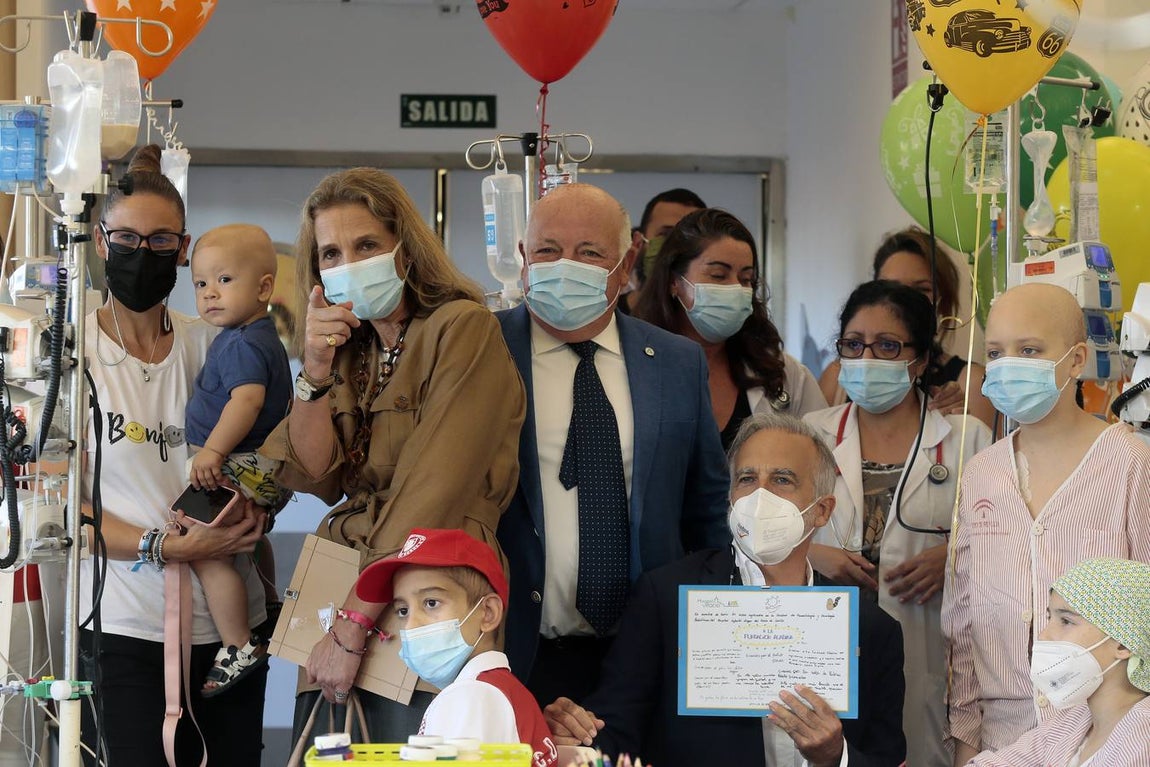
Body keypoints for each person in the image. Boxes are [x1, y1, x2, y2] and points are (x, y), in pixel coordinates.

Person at [258, 167, 526, 741]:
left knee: (423, 744)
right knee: (329, 745)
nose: (348, 263)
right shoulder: (353, 352)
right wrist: (314, 369)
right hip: (343, 577)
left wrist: (354, 625)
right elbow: (314, 472)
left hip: (434, 584)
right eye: (331, 253)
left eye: (367, 245)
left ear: (405, 250)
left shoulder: (462, 327)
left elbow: (434, 490)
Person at [543, 413, 907, 767]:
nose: (759, 496)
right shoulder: (667, 598)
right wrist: (573, 732)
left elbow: (886, 757)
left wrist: (836, 757)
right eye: (747, 478)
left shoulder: (871, 628)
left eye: (782, 479)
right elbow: (614, 732)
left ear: (823, 510)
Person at [496, 183, 729, 705]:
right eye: (547, 251)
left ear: (626, 265)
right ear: (523, 260)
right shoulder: (482, 352)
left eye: (589, 253)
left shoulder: (675, 363)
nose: (565, 266)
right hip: (515, 649)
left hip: (646, 654)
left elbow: (707, 509)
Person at [80, 145, 270, 765]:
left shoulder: (213, 344)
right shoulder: (69, 354)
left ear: (184, 249)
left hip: (228, 636)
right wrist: (165, 546)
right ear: (102, 243)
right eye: (128, 239)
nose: (144, 253)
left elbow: (272, 448)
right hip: (121, 630)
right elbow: (55, 514)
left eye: (162, 241)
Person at [943, 283, 1150, 764]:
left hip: (1106, 736)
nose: (1009, 364)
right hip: (1002, 734)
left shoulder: (1129, 465)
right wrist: (966, 737)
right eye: (995, 352)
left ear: (1076, 360)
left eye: (1030, 350)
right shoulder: (982, 475)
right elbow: (962, 621)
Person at [804, 280, 991, 767]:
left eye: (888, 345)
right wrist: (811, 554)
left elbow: (1007, 544)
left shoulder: (967, 439)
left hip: (929, 649)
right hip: (822, 650)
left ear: (922, 359)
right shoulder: (808, 436)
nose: (867, 358)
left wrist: (955, 556)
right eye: (853, 344)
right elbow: (755, 533)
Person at [184, 224, 293, 696]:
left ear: (264, 287)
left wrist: (212, 450)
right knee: (249, 537)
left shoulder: (245, 342)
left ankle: (236, 644)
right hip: (257, 466)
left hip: (237, 463)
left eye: (224, 281)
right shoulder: (249, 334)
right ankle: (267, 602)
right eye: (201, 284)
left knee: (203, 548)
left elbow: (246, 402)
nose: (210, 294)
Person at [354, 528, 559, 766]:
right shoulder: (500, 691)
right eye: (403, 610)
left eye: (431, 603)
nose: (411, 624)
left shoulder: (470, 696)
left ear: (488, 613)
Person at [634, 208, 826, 450]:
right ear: (674, 282)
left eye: (746, 279)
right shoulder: (634, 365)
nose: (736, 289)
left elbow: (822, 463)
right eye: (718, 275)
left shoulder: (785, 375)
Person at [966, 557, 1150, 766]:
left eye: (1066, 621)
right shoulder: (1074, 720)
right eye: (1049, 618)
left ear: (1123, 645)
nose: (1044, 636)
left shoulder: (1142, 736)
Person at [819, 227, 995, 427]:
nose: (902, 303)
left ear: (943, 301)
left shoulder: (972, 383)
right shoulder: (836, 378)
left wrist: (961, 425)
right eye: (890, 287)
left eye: (922, 289)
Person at [620, 188, 706, 313]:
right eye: (666, 234)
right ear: (639, 243)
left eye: (691, 237)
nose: (676, 246)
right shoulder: (609, 318)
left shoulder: (710, 326)